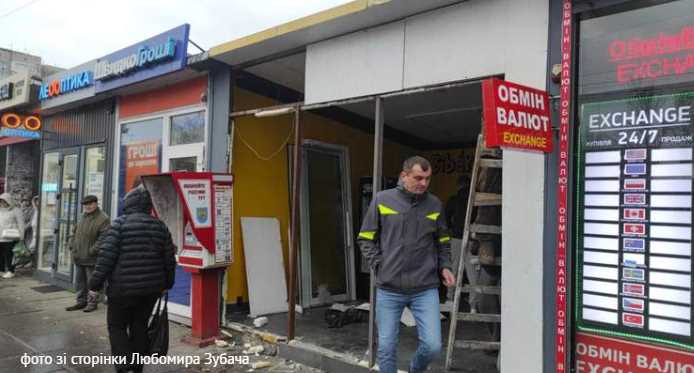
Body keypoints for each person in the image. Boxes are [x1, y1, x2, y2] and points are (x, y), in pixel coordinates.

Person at [358, 156, 455, 373]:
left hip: (425, 287)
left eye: (427, 179)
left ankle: (415, 368)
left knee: (432, 346)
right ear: (404, 176)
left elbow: (443, 241)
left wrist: (445, 266)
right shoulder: (382, 200)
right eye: (418, 178)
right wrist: (379, 265)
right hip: (389, 288)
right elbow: (365, 237)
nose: (423, 183)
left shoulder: (435, 204)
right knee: (386, 347)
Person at [89, 185, 176, 373]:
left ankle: (124, 365)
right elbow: (169, 260)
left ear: (128, 205)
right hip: (151, 290)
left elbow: (106, 258)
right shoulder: (160, 226)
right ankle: (136, 366)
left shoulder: (119, 225)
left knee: (117, 325)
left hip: (122, 290)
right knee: (140, 325)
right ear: (147, 206)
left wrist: (94, 285)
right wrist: (168, 283)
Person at [65, 195, 110, 312]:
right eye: (85, 205)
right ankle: (80, 302)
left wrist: (92, 251)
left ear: (96, 204)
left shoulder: (103, 218)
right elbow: (74, 232)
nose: (87, 207)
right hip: (79, 256)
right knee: (80, 283)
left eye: (90, 204)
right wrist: (71, 245)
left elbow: (104, 238)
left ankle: (92, 303)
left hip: (92, 258)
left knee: (93, 283)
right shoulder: (81, 216)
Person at [0, 193, 26, 279]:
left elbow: (21, 224)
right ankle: (1, 270)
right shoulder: (0, 210)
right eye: (1, 201)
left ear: (9, 201)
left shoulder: (16, 210)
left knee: (9, 255)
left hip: (10, 237)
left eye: (4, 201)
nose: (2, 203)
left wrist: (22, 237)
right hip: (0, 236)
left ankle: (11, 271)